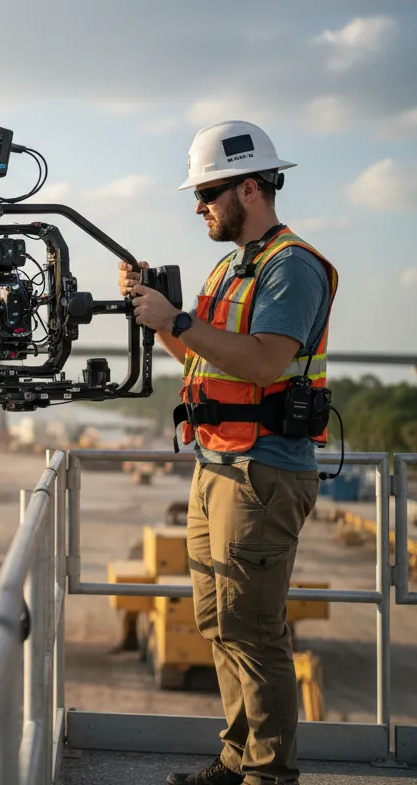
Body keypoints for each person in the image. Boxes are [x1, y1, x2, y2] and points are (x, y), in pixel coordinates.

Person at [120, 120, 338, 785]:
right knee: (221, 626)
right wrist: (158, 320)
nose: (199, 207)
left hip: (263, 471)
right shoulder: (230, 265)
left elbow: (267, 363)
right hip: (219, 465)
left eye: (208, 193)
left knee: (256, 632)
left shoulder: (291, 267)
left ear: (251, 187)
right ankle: (237, 758)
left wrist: (179, 318)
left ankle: (270, 775)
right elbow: (203, 356)